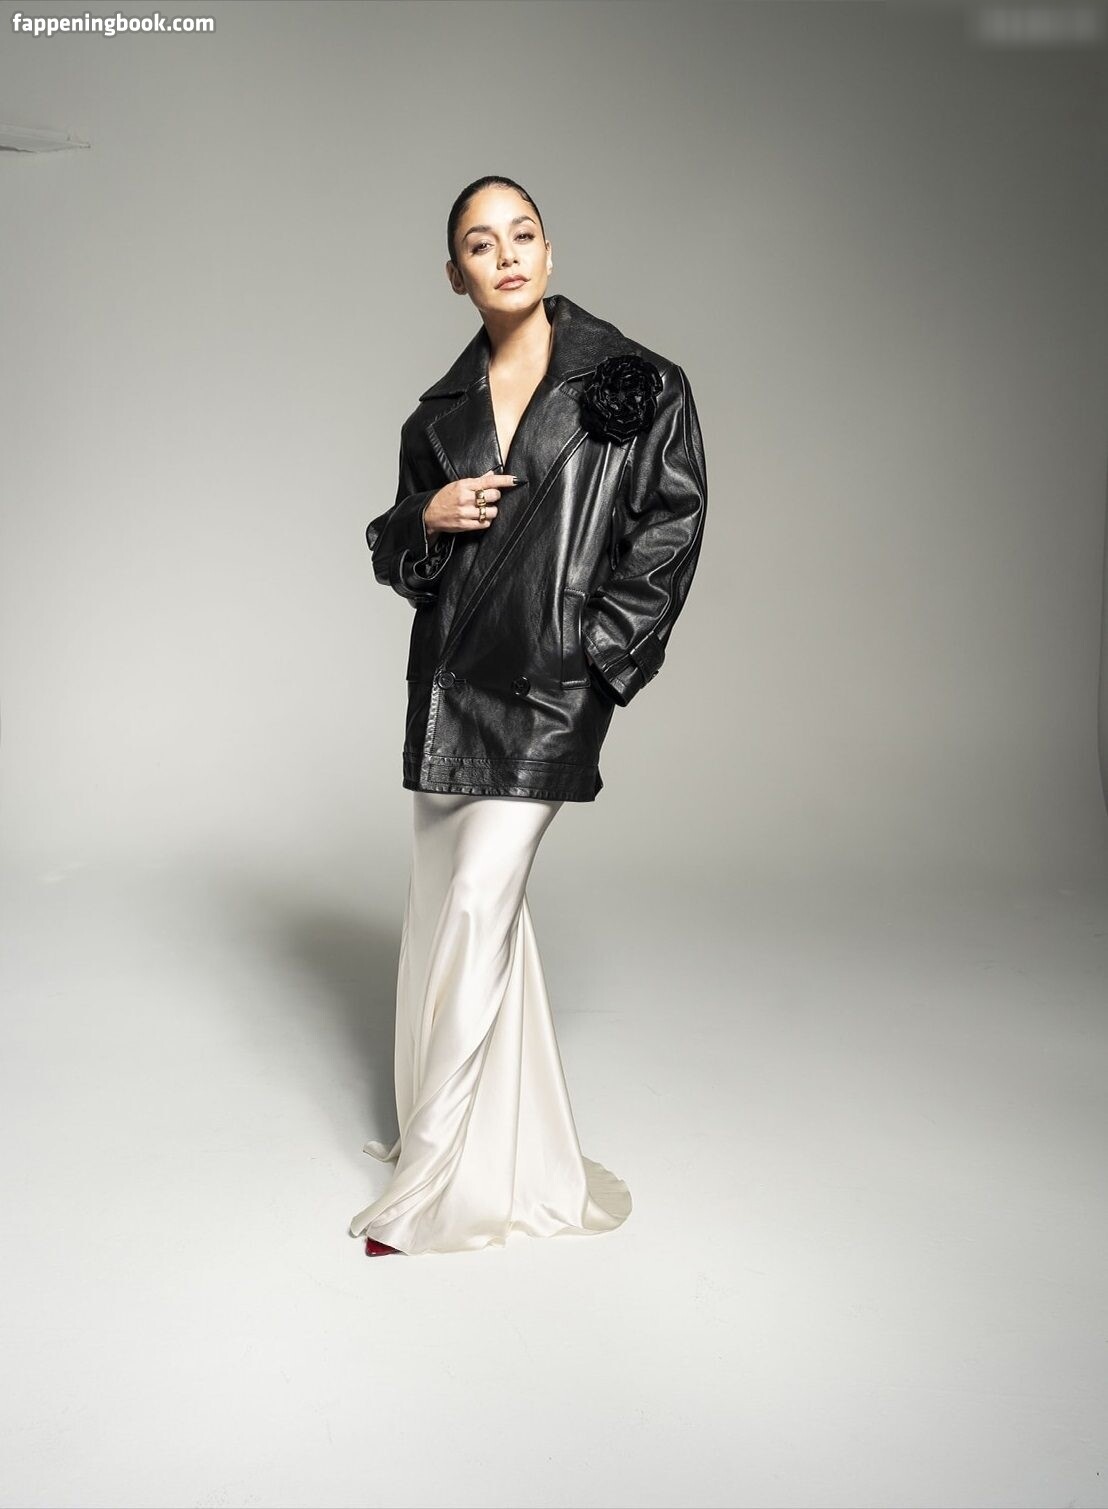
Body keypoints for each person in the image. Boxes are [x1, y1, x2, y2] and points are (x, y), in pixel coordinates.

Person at [348, 175, 708, 1257]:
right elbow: (399, 559)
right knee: (444, 911)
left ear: (549, 252)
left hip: (551, 688)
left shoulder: (638, 381)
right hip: (452, 685)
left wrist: (598, 658)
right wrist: (427, 512)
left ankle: (426, 1186)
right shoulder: (436, 416)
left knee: (475, 902)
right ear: (454, 274)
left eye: (522, 235)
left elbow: (671, 525)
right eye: (480, 243)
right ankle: (484, 1144)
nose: (505, 255)